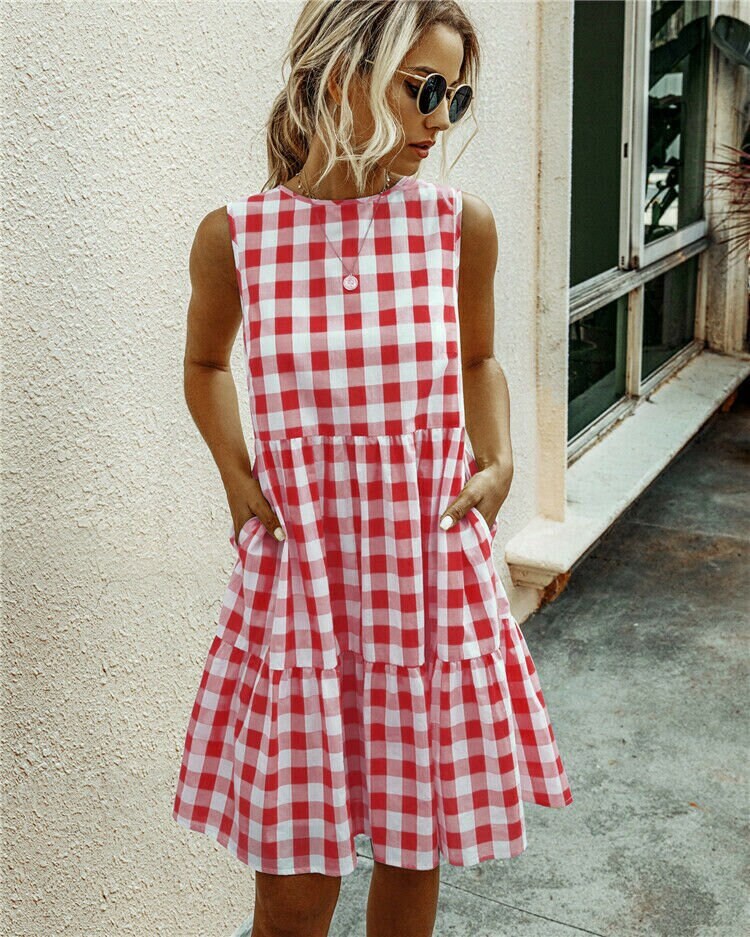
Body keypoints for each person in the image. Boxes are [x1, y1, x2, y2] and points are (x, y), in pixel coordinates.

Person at [172, 2, 573, 935]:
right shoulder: (237, 238)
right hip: (305, 574)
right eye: (422, 89)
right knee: (293, 884)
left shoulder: (457, 225)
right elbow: (203, 366)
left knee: (411, 839)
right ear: (339, 73)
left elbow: (479, 358)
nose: (440, 121)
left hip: (421, 566)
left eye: (456, 96)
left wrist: (502, 455)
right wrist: (239, 480)